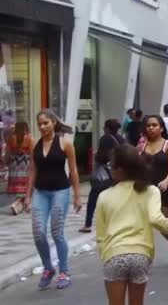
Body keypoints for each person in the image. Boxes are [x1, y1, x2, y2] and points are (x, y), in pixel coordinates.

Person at [96, 144, 168, 305]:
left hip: (114, 255)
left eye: (112, 166)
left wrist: (106, 255)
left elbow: (101, 235)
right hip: (140, 255)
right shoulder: (150, 190)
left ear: (121, 169)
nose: (110, 169)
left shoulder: (104, 196)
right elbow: (156, 219)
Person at [25, 109, 81, 289]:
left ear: (53, 123)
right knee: (38, 233)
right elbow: (33, 171)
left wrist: (77, 196)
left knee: (57, 232)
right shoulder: (34, 144)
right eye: (39, 124)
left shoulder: (65, 144)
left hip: (60, 191)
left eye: (45, 123)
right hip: (41, 192)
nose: (42, 127)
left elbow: (73, 171)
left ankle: (64, 271)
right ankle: (48, 268)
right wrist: (27, 195)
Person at [140, 115, 168, 264]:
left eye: (154, 125)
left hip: (164, 191)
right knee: (144, 226)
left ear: (162, 128)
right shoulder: (141, 146)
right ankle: (146, 256)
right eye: (148, 125)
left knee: (165, 227)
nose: (150, 128)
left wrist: (166, 181)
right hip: (145, 191)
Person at [79, 119, 124, 233]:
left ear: (107, 128)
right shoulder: (122, 139)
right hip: (117, 174)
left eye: (104, 127)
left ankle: (88, 224)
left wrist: (96, 157)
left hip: (104, 174)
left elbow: (101, 157)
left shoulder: (105, 139)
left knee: (93, 198)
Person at [5, 121, 35, 215]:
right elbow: (32, 153)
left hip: (14, 164)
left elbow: (8, 153)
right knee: (27, 186)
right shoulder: (30, 138)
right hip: (25, 164)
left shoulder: (11, 138)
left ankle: (22, 205)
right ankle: (18, 204)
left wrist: (7, 162)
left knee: (18, 188)